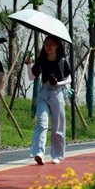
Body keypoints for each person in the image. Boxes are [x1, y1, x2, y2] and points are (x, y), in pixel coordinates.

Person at [25, 36, 72, 165]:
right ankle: (39, 153)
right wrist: (29, 65)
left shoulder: (62, 61)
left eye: (51, 44)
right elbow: (31, 76)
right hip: (43, 93)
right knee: (42, 124)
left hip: (57, 94)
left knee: (57, 126)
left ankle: (57, 155)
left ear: (57, 45)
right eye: (46, 44)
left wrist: (59, 83)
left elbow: (70, 79)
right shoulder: (41, 60)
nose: (48, 46)